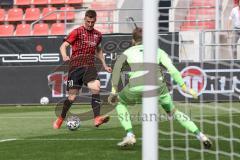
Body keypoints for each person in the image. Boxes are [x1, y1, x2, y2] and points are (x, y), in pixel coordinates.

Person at [108, 27, 212, 148]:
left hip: (136, 86)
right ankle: (200, 135)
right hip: (158, 87)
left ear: (133, 40)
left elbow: (116, 72)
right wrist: (184, 87)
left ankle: (130, 134)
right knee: (173, 112)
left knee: (120, 103)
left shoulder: (127, 53)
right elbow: (172, 70)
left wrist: (113, 91)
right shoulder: (158, 51)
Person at [53, 10, 112, 129]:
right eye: (88, 21)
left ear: (95, 20)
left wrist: (104, 65)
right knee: (72, 97)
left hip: (89, 66)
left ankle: (97, 118)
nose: (90, 24)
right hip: (75, 68)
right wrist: (64, 55)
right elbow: (63, 46)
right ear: (84, 19)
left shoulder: (98, 35)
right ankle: (60, 118)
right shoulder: (77, 32)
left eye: (92, 22)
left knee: (95, 87)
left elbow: (99, 50)